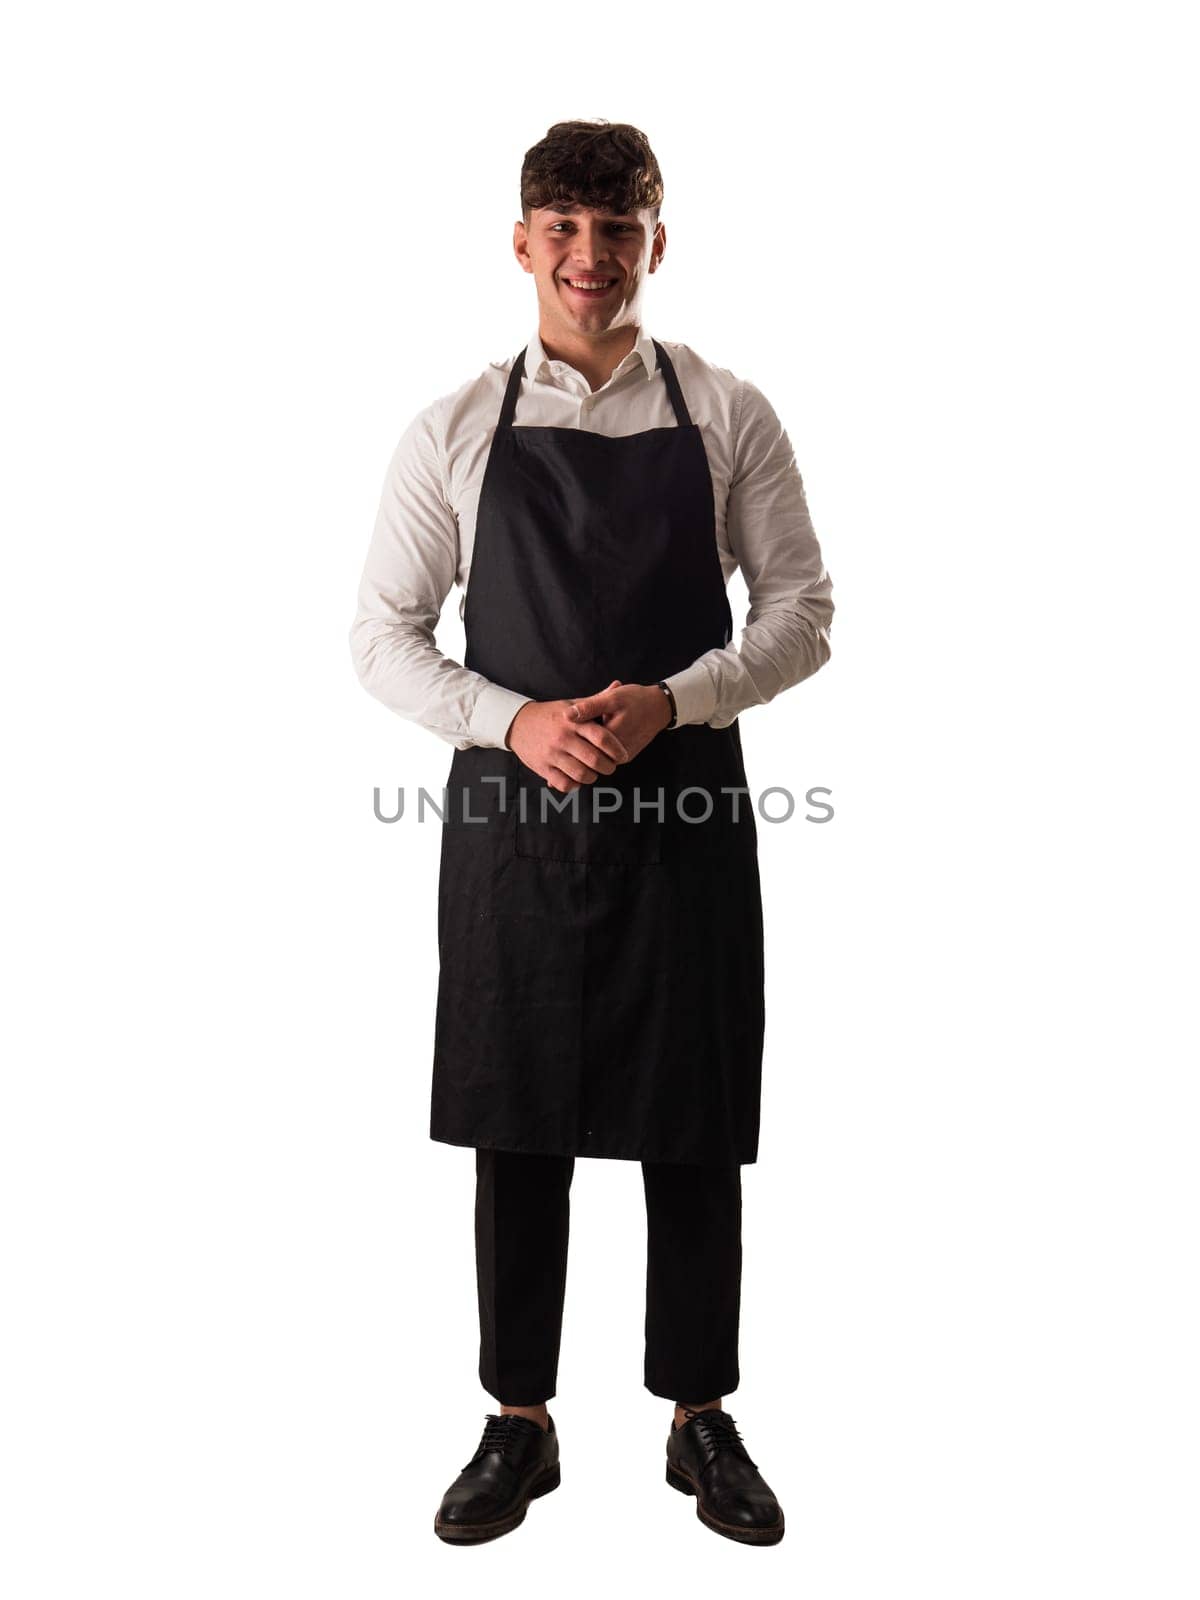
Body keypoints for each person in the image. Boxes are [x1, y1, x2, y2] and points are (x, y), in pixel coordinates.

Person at [349, 119, 834, 1547]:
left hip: (683, 812)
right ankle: (519, 1421)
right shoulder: (452, 427)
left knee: (691, 1123)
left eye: (616, 229)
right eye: (562, 227)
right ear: (521, 242)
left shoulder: (730, 412)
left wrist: (672, 704)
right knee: (522, 1116)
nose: (588, 255)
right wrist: (511, 722)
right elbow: (378, 635)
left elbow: (803, 611)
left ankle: (699, 1419)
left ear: (655, 245)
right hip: (514, 824)